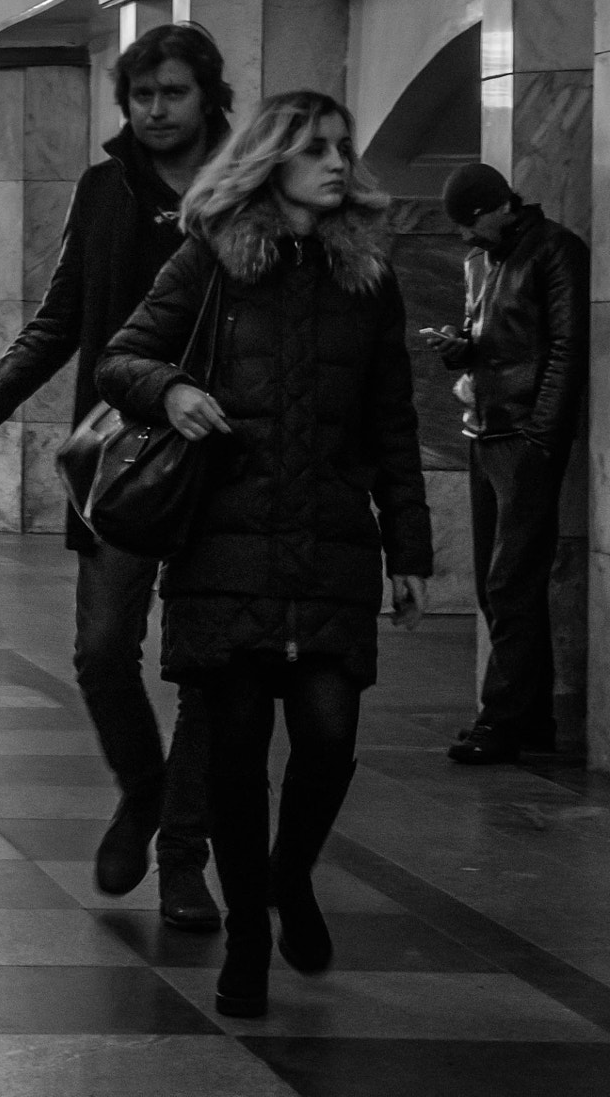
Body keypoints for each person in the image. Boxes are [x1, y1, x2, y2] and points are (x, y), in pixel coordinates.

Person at [97, 90, 432, 1019]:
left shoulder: (369, 277)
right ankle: (248, 931)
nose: (337, 163)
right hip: (223, 545)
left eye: (342, 148)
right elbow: (120, 358)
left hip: (329, 542)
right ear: (271, 161)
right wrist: (167, 392)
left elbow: (393, 425)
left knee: (328, 737)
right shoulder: (208, 260)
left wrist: (410, 547)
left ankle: (290, 877)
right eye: (316, 149)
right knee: (237, 754)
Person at [0, 22, 234, 929]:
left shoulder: (247, 190)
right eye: (142, 96)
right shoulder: (105, 189)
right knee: (104, 648)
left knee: (210, 670)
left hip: (228, 456)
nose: (156, 111)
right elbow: (61, 317)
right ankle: (143, 791)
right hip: (121, 458)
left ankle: (186, 855)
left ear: (207, 97)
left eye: (173, 94)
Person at [422, 162, 588, 764]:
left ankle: (503, 721)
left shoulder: (555, 251)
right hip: (485, 429)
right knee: (498, 591)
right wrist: (458, 348)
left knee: (510, 581)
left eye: (471, 223)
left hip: (524, 437)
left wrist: (543, 437)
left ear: (499, 206)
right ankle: (531, 719)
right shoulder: (482, 261)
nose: (466, 237)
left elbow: (568, 347)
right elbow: (486, 340)